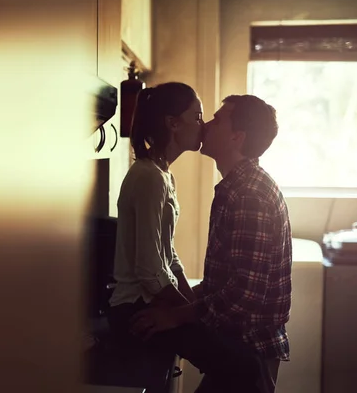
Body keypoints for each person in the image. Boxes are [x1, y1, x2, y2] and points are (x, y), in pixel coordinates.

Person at [130, 95, 292, 393]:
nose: (206, 124)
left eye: (217, 119)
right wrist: (185, 301)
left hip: (249, 352)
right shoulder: (238, 186)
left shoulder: (248, 195)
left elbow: (242, 295)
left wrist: (175, 315)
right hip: (238, 347)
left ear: (236, 136)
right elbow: (224, 283)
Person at [107, 82, 204, 391]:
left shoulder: (163, 174)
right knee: (236, 363)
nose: (202, 125)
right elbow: (149, 270)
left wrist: (189, 305)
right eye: (197, 116)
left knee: (233, 359)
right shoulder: (148, 177)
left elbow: (168, 254)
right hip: (136, 309)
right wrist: (189, 315)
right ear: (173, 123)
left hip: (153, 302)